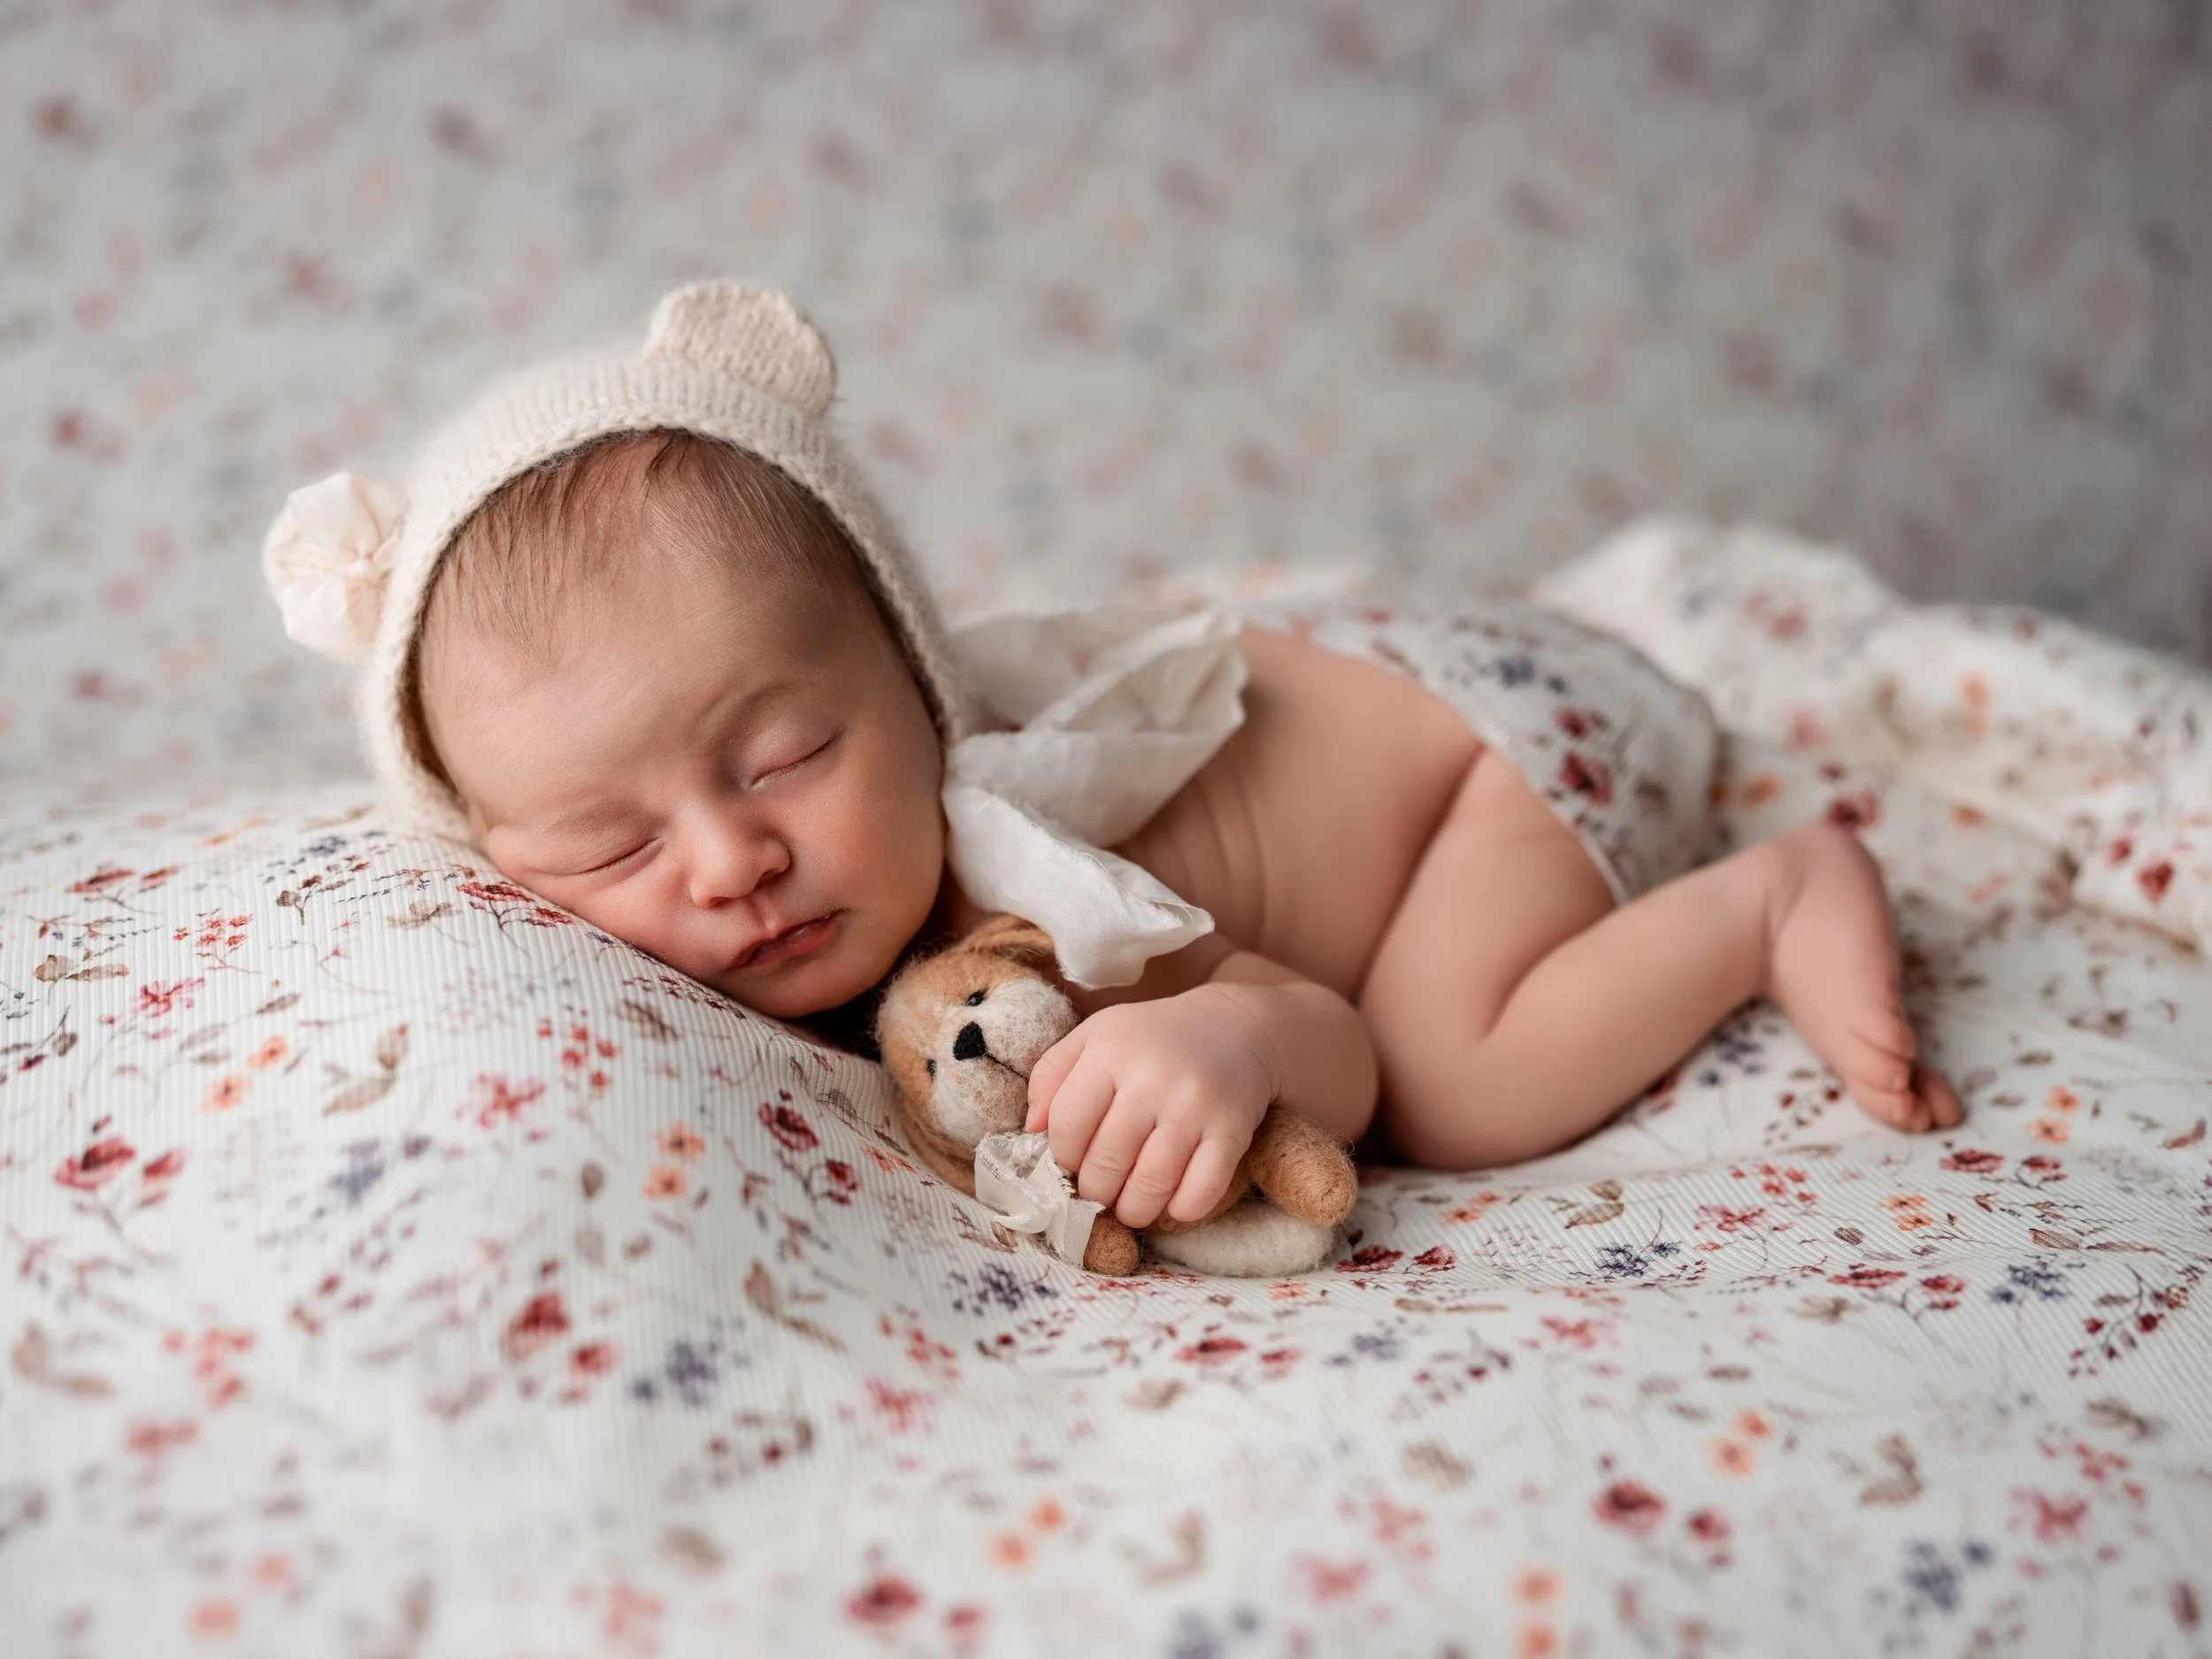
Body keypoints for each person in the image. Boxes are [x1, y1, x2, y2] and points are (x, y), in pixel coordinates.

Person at [263, 280, 1961, 1242]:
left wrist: (1224, 1028)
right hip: (1383, 683)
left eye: (783, 755)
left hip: (1497, 759)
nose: (724, 863)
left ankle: (1771, 895)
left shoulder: (1032, 869)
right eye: (601, 847)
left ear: (921, 686)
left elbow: (1333, 1037)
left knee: (1458, 1079)